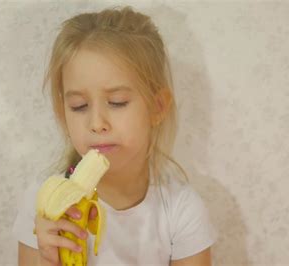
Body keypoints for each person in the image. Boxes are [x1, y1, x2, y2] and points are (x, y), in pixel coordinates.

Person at [13, 5, 217, 266]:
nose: (97, 123)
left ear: (157, 107)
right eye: (79, 106)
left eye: (118, 102)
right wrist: (47, 260)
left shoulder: (182, 210)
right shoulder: (41, 204)